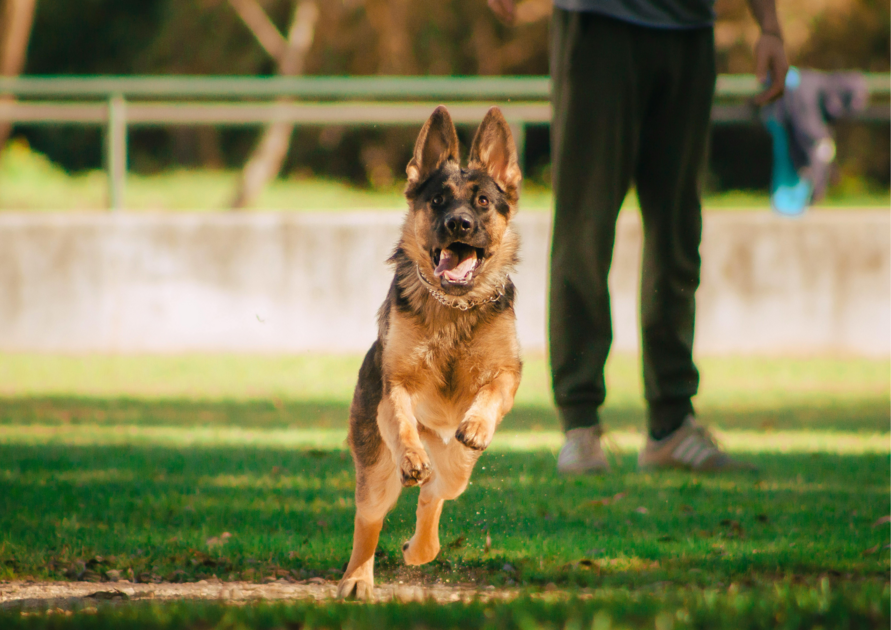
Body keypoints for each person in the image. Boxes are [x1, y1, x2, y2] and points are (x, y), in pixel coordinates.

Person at [487, 0, 788, 473]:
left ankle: (672, 423)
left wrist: (770, 24)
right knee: (585, 228)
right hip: (599, 24)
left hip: (689, 30)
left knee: (678, 233)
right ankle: (580, 423)